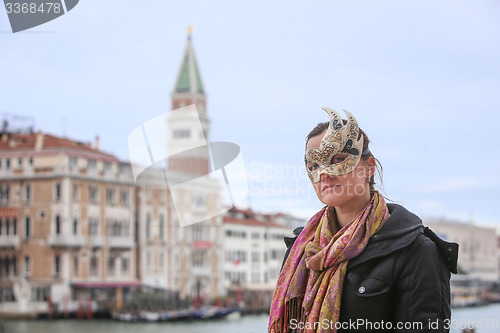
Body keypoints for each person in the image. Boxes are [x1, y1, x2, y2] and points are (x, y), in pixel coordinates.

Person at [268, 108, 458, 333]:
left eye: (337, 159)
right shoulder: (300, 250)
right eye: (314, 165)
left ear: (369, 167)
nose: (324, 173)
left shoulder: (416, 250)